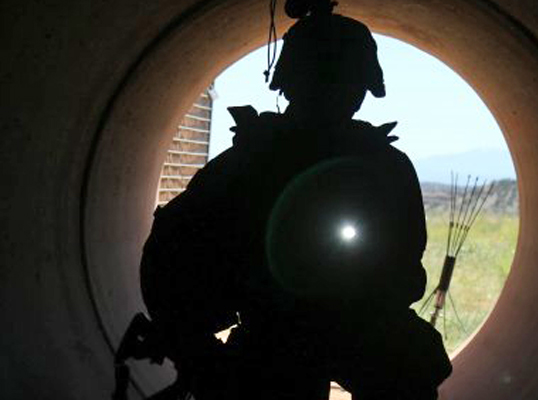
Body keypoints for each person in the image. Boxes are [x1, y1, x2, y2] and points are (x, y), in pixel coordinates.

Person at [116, 1, 451, 399]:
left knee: (412, 366)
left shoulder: (254, 159)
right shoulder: (374, 164)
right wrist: (197, 349)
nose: (336, 92)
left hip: (332, 327)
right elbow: (176, 254)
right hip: (279, 331)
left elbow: (402, 270)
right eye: (331, 81)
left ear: (287, 82)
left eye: (342, 81)